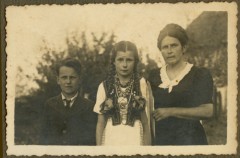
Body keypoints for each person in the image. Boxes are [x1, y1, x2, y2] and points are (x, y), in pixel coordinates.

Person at [149, 23, 213, 145]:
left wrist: (170, 111)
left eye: (174, 46)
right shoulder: (153, 76)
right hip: (161, 140)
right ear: (160, 51)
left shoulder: (199, 74)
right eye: (165, 47)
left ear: (183, 48)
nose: (169, 51)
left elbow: (208, 111)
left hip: (190, 140)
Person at [94, 41, 153, 146]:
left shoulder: (141, 83)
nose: (124, 65)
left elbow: (145, 121)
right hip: (111, 137)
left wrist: (147, 151)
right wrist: (99, 150)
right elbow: (100, 122)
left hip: (134, 136)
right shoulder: (104, 86)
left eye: (129, 60)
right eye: (120, 60)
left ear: (135, 62)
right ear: (114, 61)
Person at [40, 58, 97, 145]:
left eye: (72, 77)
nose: (68, 82)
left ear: (80, 80)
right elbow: (44, 137)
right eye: (64, 77)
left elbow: (91, 140)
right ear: (58, 80)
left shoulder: (89, 106)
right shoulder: (50, 105)